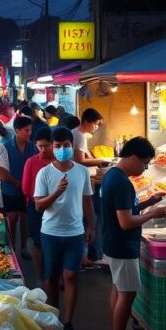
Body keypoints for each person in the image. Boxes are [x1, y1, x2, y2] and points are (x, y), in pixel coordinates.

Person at [100, 137, 166, 330]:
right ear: (132, 158)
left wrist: (148, 202)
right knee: (126, 295)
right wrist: (153, 214)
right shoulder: (121, 182)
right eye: (145, 163)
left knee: (118, 291)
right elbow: (126, 222)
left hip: (113, 242)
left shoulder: (113, 175)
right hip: (123, 245)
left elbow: (124, 209)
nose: (145, 168)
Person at [34, 127, 96, 330]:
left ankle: (68, 323)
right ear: (52, 147)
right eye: (58, 146)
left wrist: (91, 226)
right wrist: (56, 192)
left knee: (70, 276)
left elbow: (87, 199)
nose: (62, 150)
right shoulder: (45, 173)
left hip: (75, 233)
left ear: (72, 145)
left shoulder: (81, 171)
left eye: (66, 146)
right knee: (51, 278)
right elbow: (39, 205)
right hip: (50, 233)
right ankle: (53, 317)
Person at [73, 108, 111, 265]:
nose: (96, 127)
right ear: (87, 121)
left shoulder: (76, 133)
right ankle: (91, 255)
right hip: (83, 180)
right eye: (95, 124)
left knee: (88, 218)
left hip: (80, 179)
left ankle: (88, 254)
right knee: (91, 218)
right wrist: (101, 161)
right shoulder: (80, 136)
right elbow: (80, 159)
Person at [2, 116, 37, 258]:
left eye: (30, 130)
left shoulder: (32, 147)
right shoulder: (5, 146)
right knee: (12, 219)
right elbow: (3, 170)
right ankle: (11, 250)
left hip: (27, 189)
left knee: (25, 219)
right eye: (26, 130)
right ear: (17, 130)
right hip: (9, 188)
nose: (29, 133)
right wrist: (16, 183)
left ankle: (23, 248)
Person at [23, 126, 55, 278]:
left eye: (46, 146)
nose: (42, 150)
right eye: (39, 146)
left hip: (57, 208)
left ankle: (56, 275)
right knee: (37, 242)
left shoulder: (59, 162)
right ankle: (41, 275)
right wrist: (41, 198)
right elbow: (25, 188)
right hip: (36, 207)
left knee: (55, 241)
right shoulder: (31, 162)